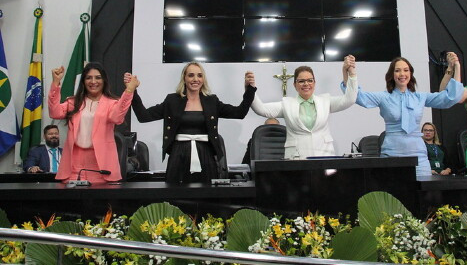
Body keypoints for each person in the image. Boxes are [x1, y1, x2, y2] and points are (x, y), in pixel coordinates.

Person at [124, 62, 256, 184]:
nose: (195, 79)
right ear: (184, 78)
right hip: (178, 154)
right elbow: (143, 116)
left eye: (199, 75)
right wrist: (132, 91)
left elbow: (239, 113)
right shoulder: (172, 100)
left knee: (206, 197)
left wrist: (249, 90)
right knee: (176, 196)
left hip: (206, 155)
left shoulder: (212, 101)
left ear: (203, 79)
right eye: (191, 75)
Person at [342, 53, 463, 177]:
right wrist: (348, 71)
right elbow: (356, 95)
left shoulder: (420, 97)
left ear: (410, 73)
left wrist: (456, 66)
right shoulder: (384, 97)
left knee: (421, 194)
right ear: (392, 75)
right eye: (397, 70)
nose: (402, 74)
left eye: (406, 70)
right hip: (392, 155)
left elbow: (450, 98)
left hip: (418, 157)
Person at [48, 62, 139, 183]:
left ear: (104, 80)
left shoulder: (112, 103)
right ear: (83, 81)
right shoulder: (73, 102)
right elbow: (55, 113)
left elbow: (117, 118)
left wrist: (129, 90)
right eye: (88, 78)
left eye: (98, 77)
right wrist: (55, 83)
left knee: (100, 201)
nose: (93, 81)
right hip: (74, 164)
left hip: (101, 165)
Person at [251, 56, 357, 159]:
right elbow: (261, 109)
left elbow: (350, 99)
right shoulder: (286, 104)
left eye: (310, 80)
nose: (306, 84)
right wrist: (250, 89)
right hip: (297, 159)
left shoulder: (325, 101)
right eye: (301, 81)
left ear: (314, 83)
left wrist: (351, 73)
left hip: (324, 157)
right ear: (295, 85)